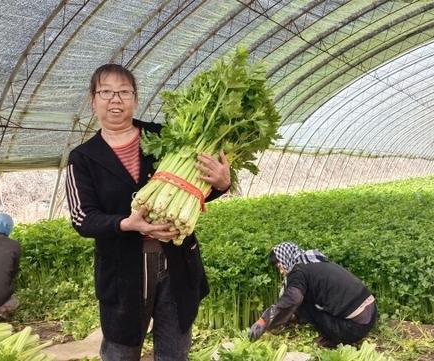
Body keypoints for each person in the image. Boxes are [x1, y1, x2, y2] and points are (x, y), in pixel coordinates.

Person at [65, 63, 230, 361]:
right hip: (124, 270)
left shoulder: (164, 138)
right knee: (120, 351)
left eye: (124, 92)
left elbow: (196, 188)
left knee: (174, 351)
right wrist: (126, 223)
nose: (115, 100)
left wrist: (221, 184)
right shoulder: (83, 158)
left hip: (176, 260)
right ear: (93, 100)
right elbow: (82, 218)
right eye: (106, 92)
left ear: (136, 99)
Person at [249, 242, 377, 348]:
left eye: (279, 265)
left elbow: (292, 299)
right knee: (305, 299)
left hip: (354, 328)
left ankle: (334, 339)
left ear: (286, 258)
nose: (281, 271)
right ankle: (294, 320)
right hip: (371, 316)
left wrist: (264, 320)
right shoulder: (313, 262)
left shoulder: (298, 271)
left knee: (304, 304)